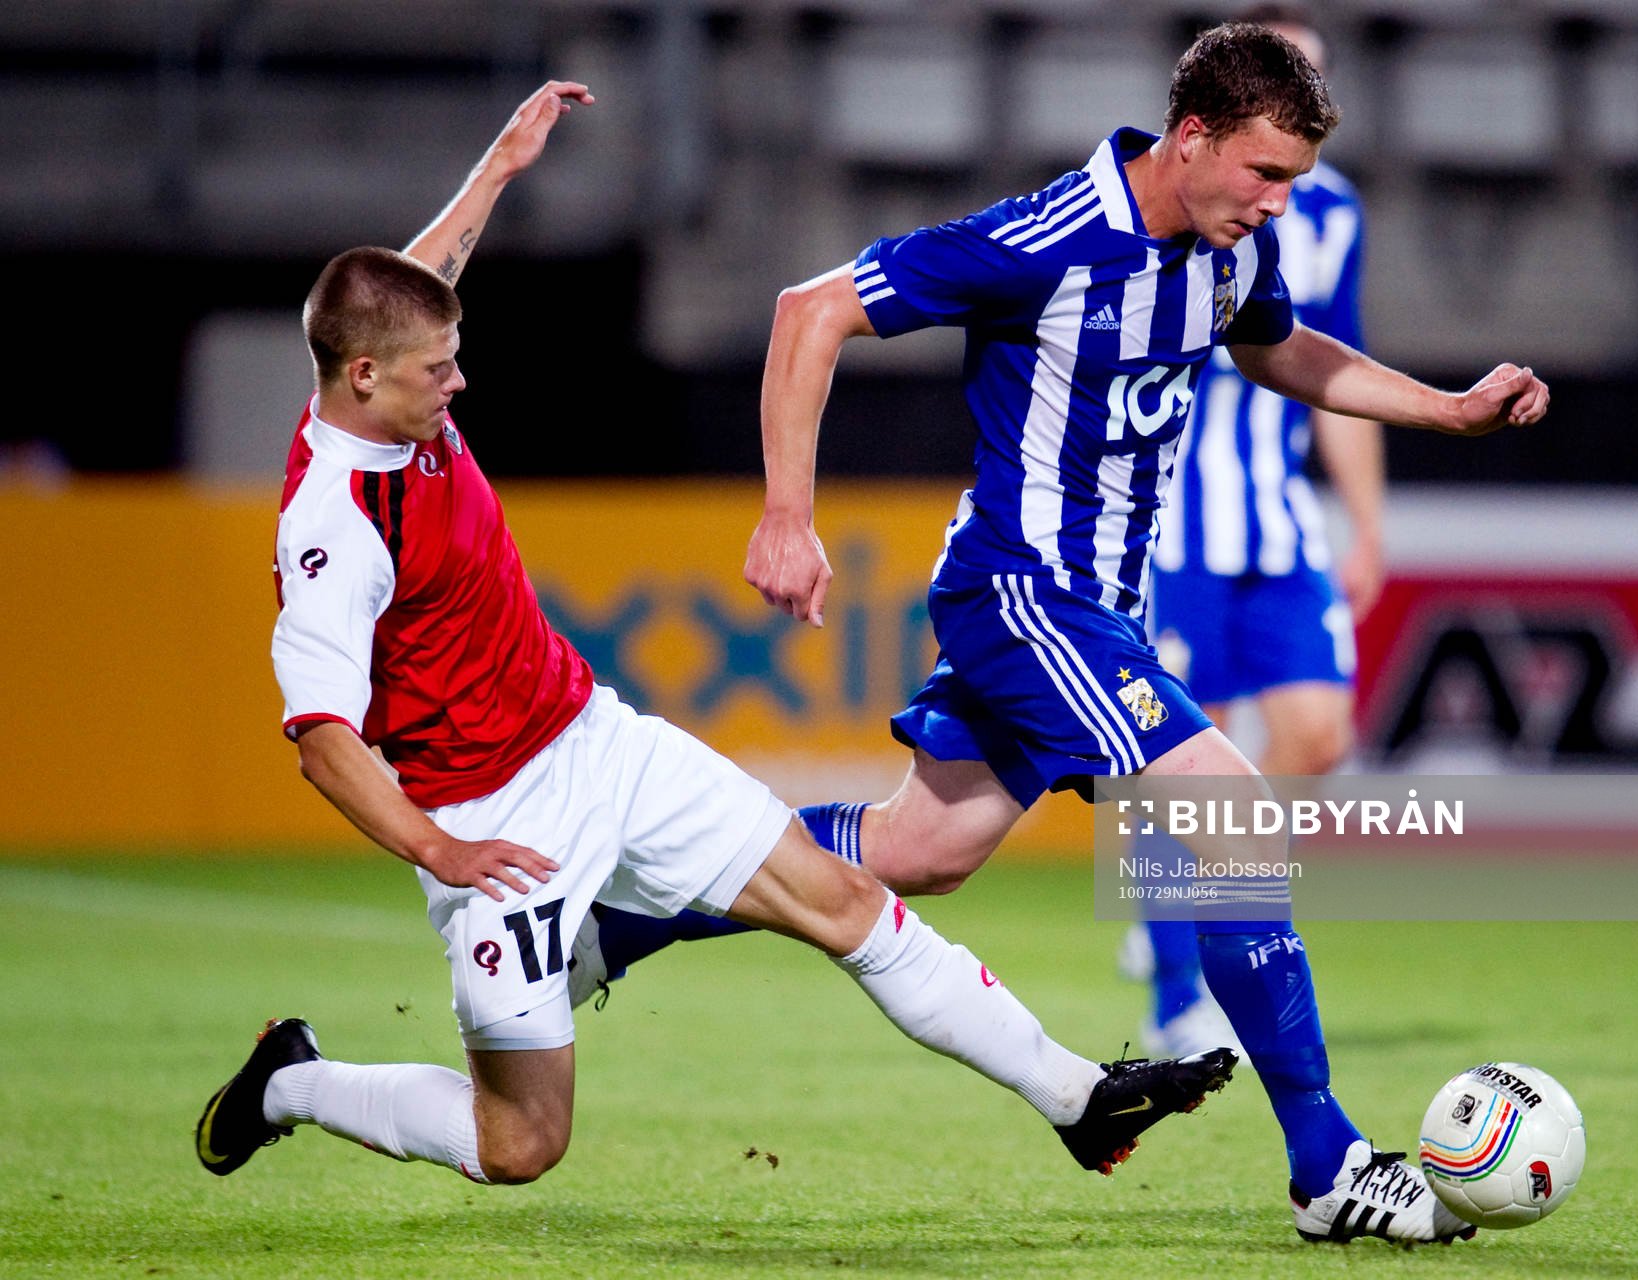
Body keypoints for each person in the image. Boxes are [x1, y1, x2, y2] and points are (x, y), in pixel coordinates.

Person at [193, 81, 1233, 1191]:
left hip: (595, 739)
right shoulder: (334, 530)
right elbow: (322, 740)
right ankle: (289, 1080)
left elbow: (416, 283)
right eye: (436, 371)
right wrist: (444, 853)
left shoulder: (383, 362)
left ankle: (1075, 1094)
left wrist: (499, 165)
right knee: (522, 1145)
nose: (460, 383)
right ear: (361, 379)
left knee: (845, 902)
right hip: (487, 818)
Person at [741, 24, 1547, 1245]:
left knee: (919, 848)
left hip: (1101, 605)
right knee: (1234, 818)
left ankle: (634, 893)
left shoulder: (1227, 251)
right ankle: (1328, 1168)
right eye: (1266, 175)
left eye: (1295, 181)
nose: (1281, 204)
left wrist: (1444, 409)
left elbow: (1281, 348)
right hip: (1024, 594)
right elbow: (811, 313)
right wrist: (788, 516)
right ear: (1192, 138)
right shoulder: (1050, 238)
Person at [1125, 2, 1384, 1066]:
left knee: (1319, 734)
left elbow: (1339, 371)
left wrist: (1366, 521)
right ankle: (1176, 986)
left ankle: (1197, 900)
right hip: (1175, 520)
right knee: (1187, 749)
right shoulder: (1176, 203)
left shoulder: (1334, 215)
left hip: (1278, 523)